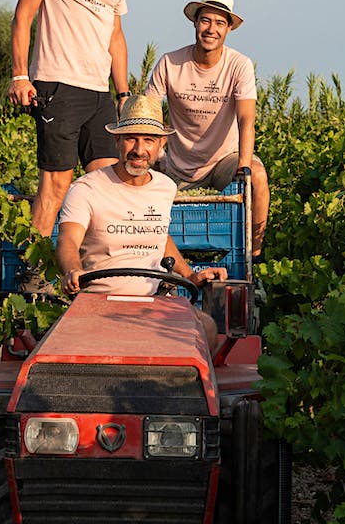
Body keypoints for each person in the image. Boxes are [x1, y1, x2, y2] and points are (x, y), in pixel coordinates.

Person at [9, 0, 131, 290]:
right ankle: (33, 275)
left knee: (106, 178)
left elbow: (115, 35)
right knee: (56, 181)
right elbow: (24, 15)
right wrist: (20, 75)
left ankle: (99, 270)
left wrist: (124, 93)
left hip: (100, 93)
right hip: (58, 82)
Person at [56, 95, 226, 353]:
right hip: (103, 304)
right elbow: (68, 239)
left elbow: (158, 236)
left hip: (156, 303)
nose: (139, 149)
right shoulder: (86, 189)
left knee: (209, 330)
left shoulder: (165, 187)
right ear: (117, 140)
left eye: (148, 140)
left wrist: (189, 275)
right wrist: (72, 270)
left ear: (161, 144)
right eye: (131, 138)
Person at [145, 0, 269, 257]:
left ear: (228, 29)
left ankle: (254, 258)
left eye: (220, 23)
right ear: (195, 22)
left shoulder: (239, 65)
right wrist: (155, 156)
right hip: (177, 166)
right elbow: (149, 116)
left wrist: (244, 167)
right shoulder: (170, 63)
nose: (211, 29)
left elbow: (246, 118)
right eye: (206, 20)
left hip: (222, 161)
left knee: (257, 176)